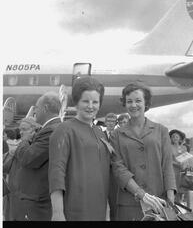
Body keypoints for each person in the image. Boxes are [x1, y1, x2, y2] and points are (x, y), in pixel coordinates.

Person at [110, 82, 176, 221]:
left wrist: (170, 195)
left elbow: (167, 165)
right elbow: (118, 169)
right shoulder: (116, 134)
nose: (133, 105)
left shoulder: (161, 130)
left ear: (146, 103)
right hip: (129, 204)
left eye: (138, 100)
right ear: (125, 104)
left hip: (159, 201)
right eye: (129, 101)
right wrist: (142, 194)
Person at [49, 76, 112, 221]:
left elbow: (105, 174)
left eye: (95, 102)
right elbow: (56, 174)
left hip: (99, 209)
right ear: (76, 102)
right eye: (85, 101)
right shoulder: (64, 130)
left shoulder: (100, 132)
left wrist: (107, 211)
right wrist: (57, 213)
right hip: (74, 210)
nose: (91, 106)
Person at [15, 92, 61, 221]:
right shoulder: (52, 128)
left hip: (39, 200)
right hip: (39, 197)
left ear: (45, 108)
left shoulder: (51, 130)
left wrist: (24, 140)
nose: (35, 110)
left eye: (37, 107)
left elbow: (27, 159)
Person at [3, 117, 40, 221]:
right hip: (13, 193)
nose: (21, 132)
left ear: (33, 130)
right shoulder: (18, 146)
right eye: (20, 130)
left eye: (24, 129)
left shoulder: (36, 147)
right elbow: (5, 167)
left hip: (25, 195)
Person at [169, 129, 193, 208]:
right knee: (175, 190)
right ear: (170, 138)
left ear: (180, 138)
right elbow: (169, 160)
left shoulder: (184, 147)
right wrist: (177, 164)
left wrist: (190, 165)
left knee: (185, 191)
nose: (175, 138)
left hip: (184, 172)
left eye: (176, 136)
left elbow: (187, 158)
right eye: (173, 136)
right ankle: (175, 208)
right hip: (174, 172)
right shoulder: (169, 147)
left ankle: (185, 208)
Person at [104, 113, 118, 221]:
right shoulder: (100, 134)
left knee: (113, 198)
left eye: (113, 121)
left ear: (115, 123)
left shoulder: (119, 134)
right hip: (102, 169)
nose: (110, 123)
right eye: (108, 121)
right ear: (105, 122)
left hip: (115, 171)